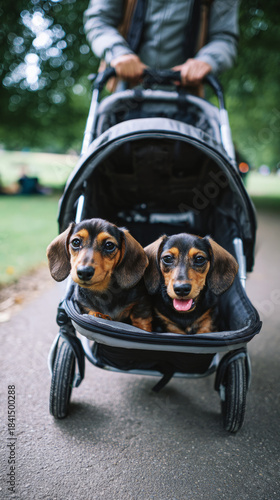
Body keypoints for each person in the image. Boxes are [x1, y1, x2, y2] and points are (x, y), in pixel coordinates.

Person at [84, 0, 239, 87]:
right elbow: (99, 20)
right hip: (127, 95)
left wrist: (207, 61)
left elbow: (224, 37)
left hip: (188, 102)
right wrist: (119, 53)